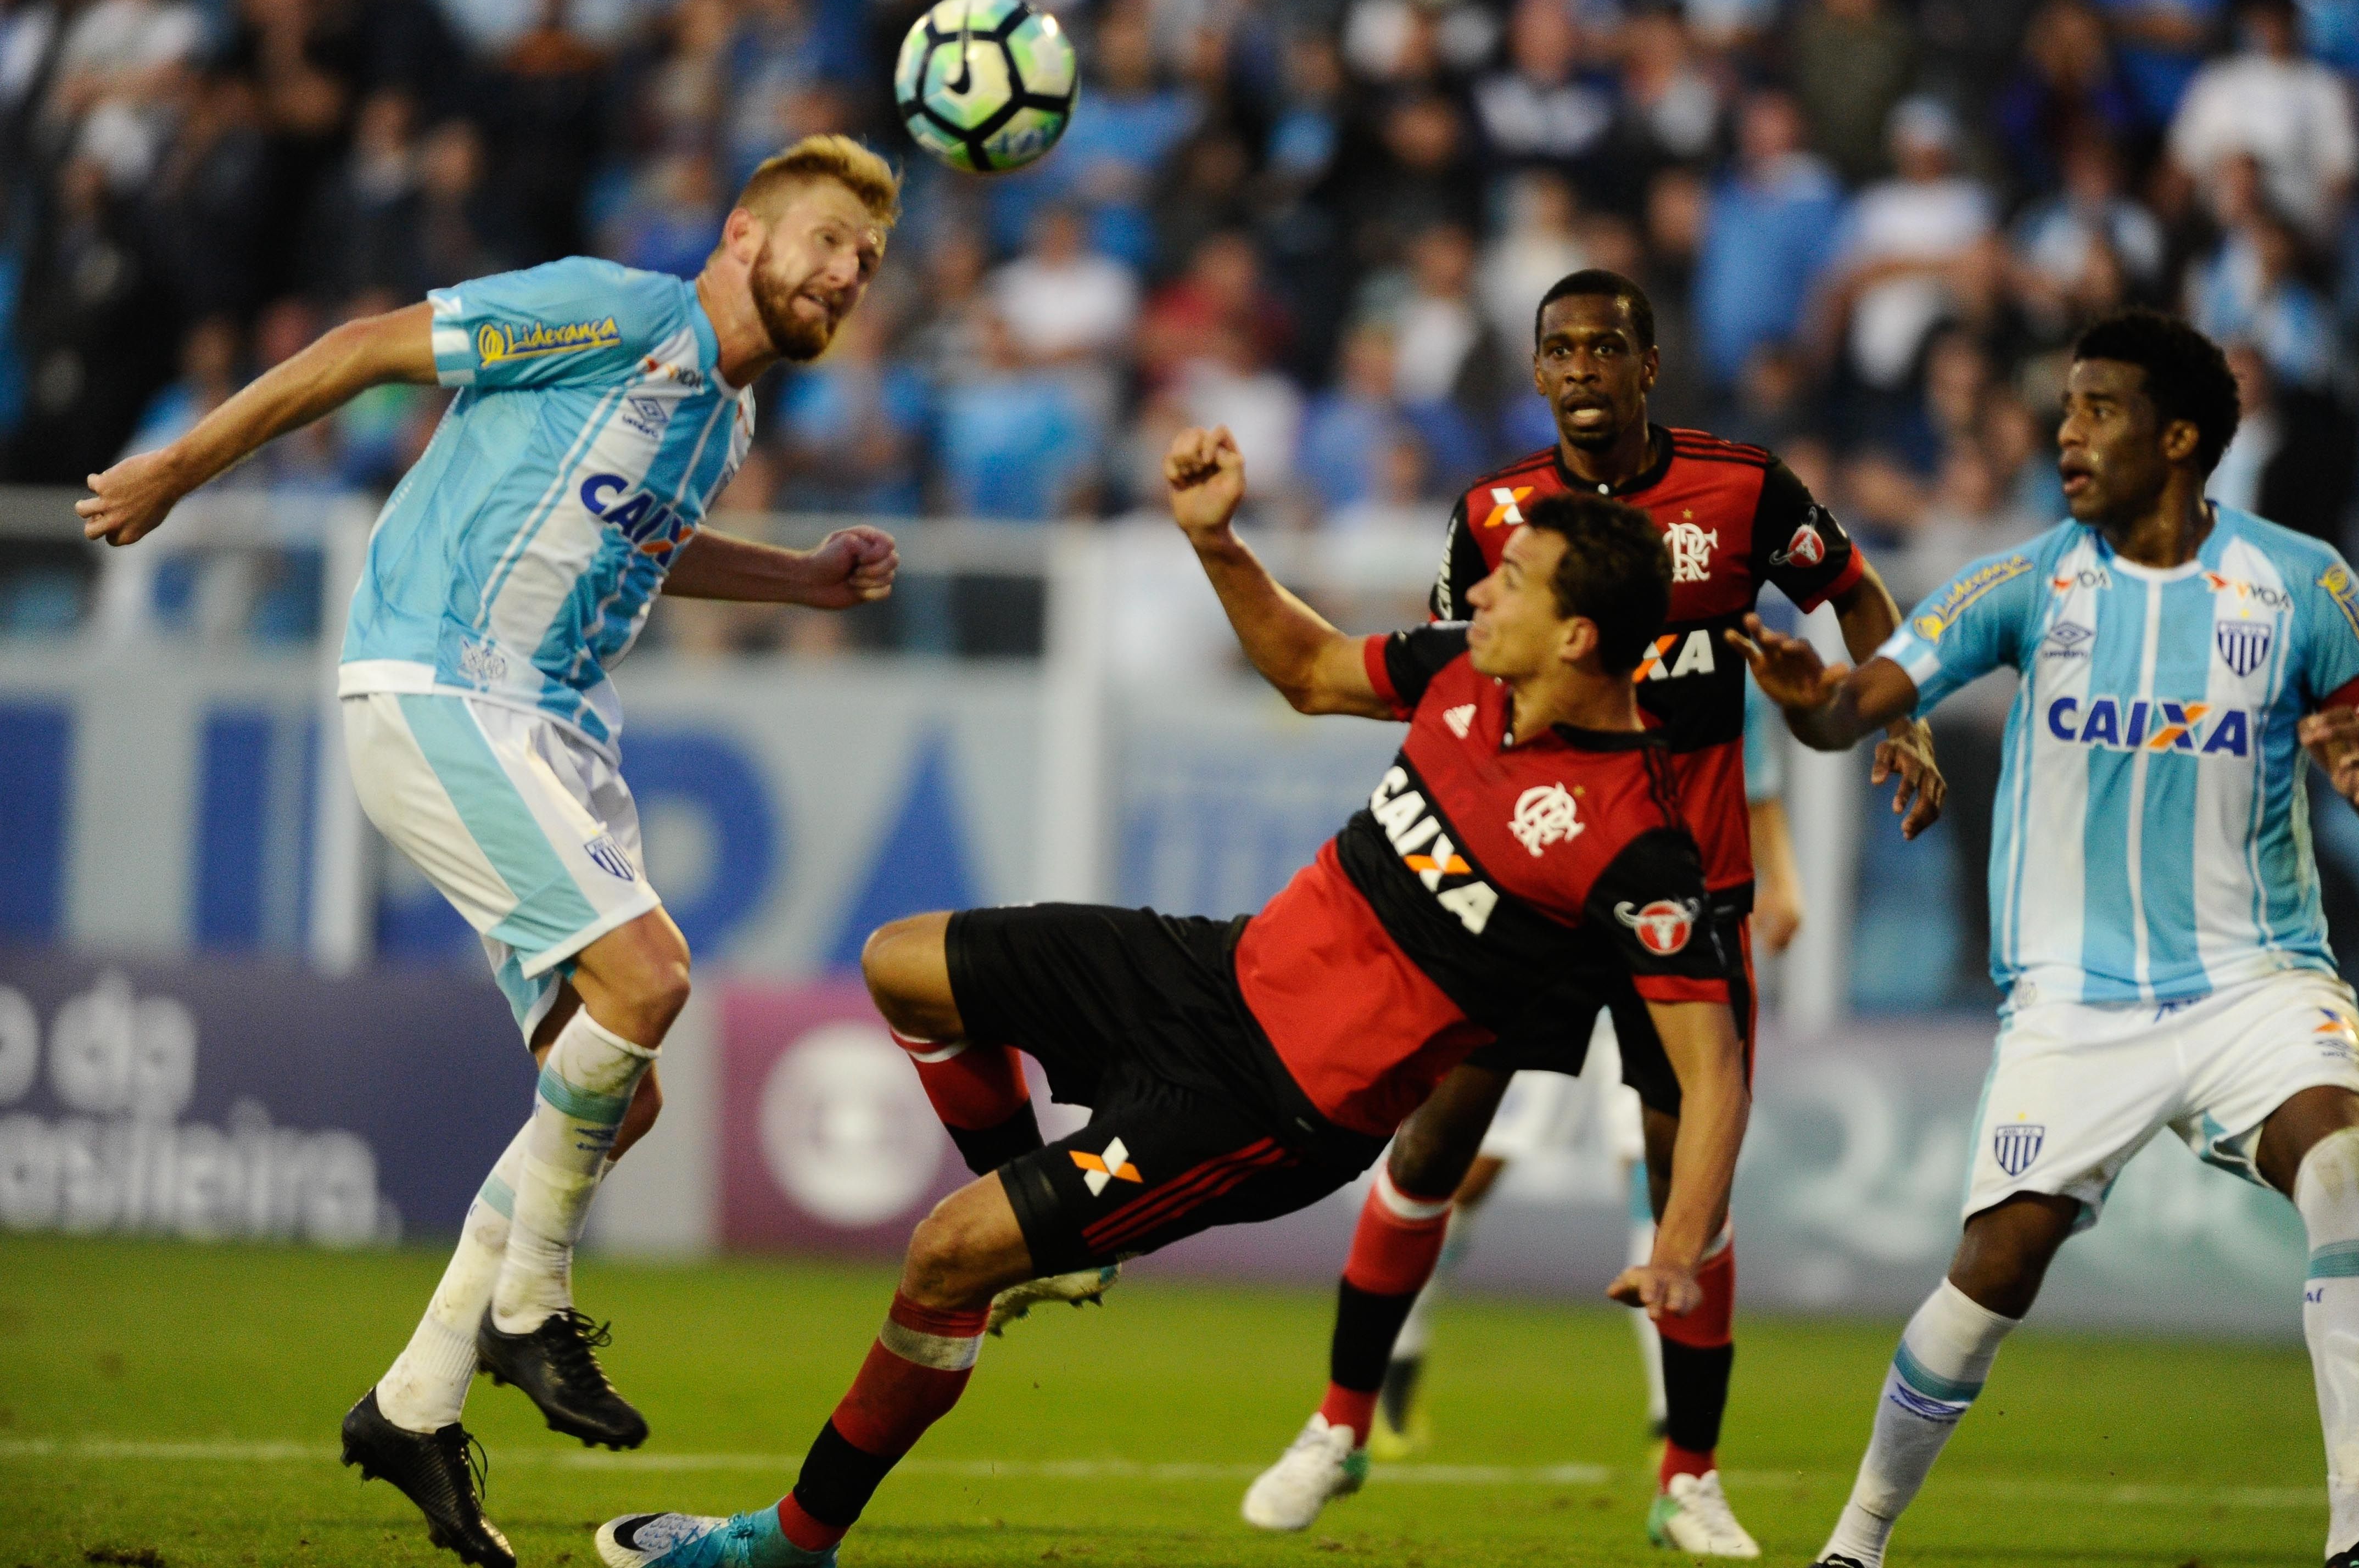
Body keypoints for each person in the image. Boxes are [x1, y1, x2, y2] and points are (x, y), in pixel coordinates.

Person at [591, 453, 1751, 1568]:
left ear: (1580, 636)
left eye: (1516, 579)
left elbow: (1714, 1073)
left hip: (1263, 1108)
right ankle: (1052, 1254)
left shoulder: (1633, 843)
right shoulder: (1462, 670)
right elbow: (1308, 670)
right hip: (1210, 971)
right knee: (902, 963)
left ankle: (791, 1545)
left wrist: (1683, 1247)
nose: (1483, 583)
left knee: (945, 1256)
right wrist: (1216, 541)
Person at [75, 133, 909, 1568]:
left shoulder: (726, 421)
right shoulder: (624, 311)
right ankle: (527, 1310)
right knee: (650, 981)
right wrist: (182, 464)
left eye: (864, 266)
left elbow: (650, 540)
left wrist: (794, 580)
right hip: (440, 679)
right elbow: (366, 346)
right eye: (827, 241)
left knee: (614, 1098)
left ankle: (414, 1402)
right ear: (741, 237)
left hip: (561, 733)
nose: (843, 276)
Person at [1243, 268, 1944, 1560]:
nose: (1579, 369)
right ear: (1536, 369)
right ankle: (1340, 1423)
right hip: (1535, 893)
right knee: (1438, 1142)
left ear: (1648, 364)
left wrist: (1884, 709)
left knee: (1689, 1178)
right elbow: (1469, 692)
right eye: (1557, 349)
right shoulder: (1497, 514)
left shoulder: (1741, 494)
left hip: (1695, 887)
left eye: (1603, 348)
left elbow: (1849, 584)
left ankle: (1690, 1476)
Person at [1732, 310, 2359, 1568]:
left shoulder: (2302, 584)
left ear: (2178, 438)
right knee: (1997, 1265)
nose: (2065, 433)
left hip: (2256, 981)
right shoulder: (2027, 583)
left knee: (2348, 1172)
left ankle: (2358, 1542)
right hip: (2074, 1001)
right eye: (2064, 407)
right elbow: (1858, 704)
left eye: (2097, 410)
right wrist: (1814, 705)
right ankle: (1855, 1543)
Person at [1360, 671, 1803, 1460]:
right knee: (1468, 1166)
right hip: (1558, 928)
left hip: (1664, 936)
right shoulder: (1567, 636)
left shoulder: (1717, 639)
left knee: (1655, 1163)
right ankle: (1397, 1357)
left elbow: (1754, 774)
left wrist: (1783, 874)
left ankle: (1672, 1418)